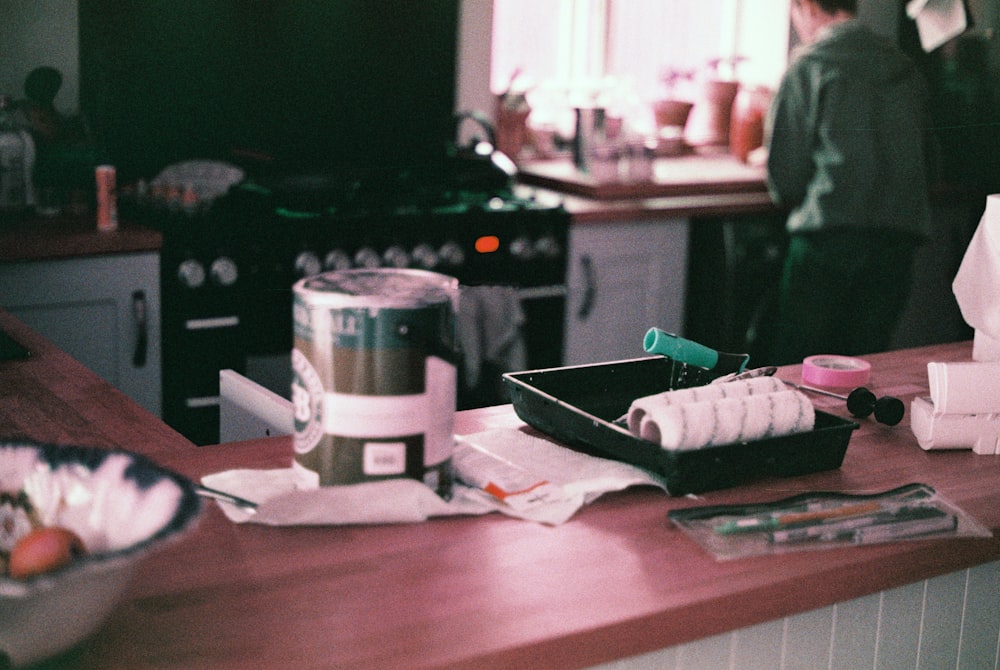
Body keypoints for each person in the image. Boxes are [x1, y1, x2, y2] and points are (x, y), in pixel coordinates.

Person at [761, 0, 933, 365]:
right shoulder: (905, 66)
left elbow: (785, 182)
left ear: (805, 6)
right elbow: (930, 162)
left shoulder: (811, 64)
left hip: (829, 240)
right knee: (864, 368)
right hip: (896, 245)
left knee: (799, 368)